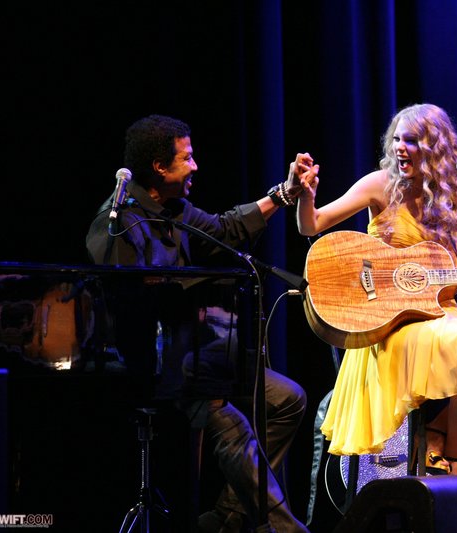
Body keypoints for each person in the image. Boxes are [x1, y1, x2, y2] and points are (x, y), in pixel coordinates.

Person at [86, 114, 310, 532]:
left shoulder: (176, 210)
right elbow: (126, 303)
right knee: (229, 424)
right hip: (156, 369)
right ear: (159, 167)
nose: (195, 166)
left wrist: (284, 194)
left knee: (287, 399)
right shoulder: (117, 223)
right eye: (186, 158)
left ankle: (228, 518)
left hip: (201, 361)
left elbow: (226, 229)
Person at [293, 103, 457, 475]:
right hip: (390, 323)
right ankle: (451, 447)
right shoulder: (380, 184)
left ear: (435, 148)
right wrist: (305, 195)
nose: (400, 148)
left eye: (410, 140)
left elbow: (453, 270)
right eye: (396, 139)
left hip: (436, 312)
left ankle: (443, 432)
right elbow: (311, 225)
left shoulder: (448, 197)